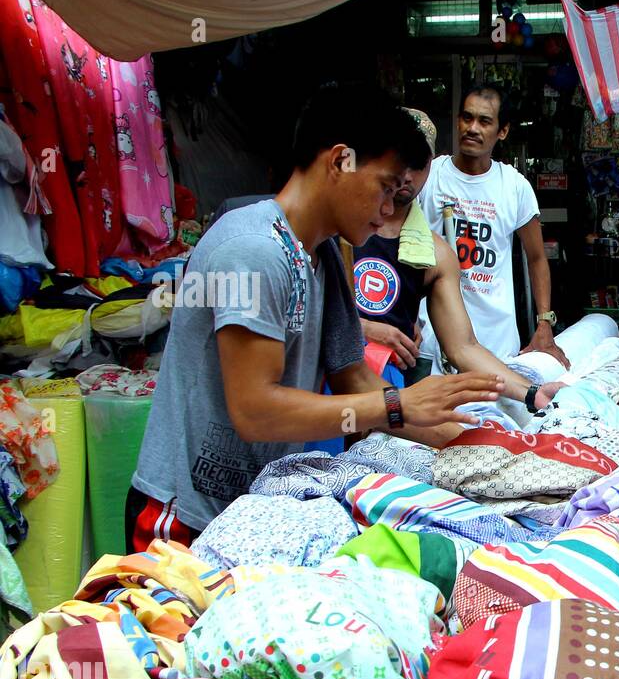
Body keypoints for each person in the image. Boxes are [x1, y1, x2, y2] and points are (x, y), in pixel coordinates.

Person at [126, 83, 504, 552]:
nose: (390, 209)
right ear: (340, 160)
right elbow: (256, 411)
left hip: (252, 509)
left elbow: (354, 381)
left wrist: (487, 449)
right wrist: (398, 404)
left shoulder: (323, 255)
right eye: (385, 188)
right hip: (185, 516)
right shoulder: (253, 249)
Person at [353, 108, 562, 412]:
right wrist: (362, 328)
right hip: (324, 389)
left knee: (437, 431)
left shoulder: (434, 255)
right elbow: (300, 318)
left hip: (384, 393)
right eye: (398, 160)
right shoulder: (341, 228)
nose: (406, 175)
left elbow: (463, 347)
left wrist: (531, 393)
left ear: (430, 166)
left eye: (417, 163)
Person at [416, 83, 567, 375]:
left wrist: (544, 323)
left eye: (484, 121)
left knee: (496, 421)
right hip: (433, 342)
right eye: (467, 118)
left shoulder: (514, 186)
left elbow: (536, 258)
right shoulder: (430, 175)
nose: (472, 128)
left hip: (496, 346)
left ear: (502, 131)